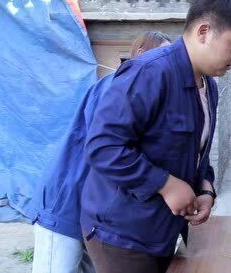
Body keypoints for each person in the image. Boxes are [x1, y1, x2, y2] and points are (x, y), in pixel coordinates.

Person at [80, 0, 231, 273]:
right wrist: (165, 184)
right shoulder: (148, 74)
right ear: (204, 32)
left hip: (164, 228)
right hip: (123, 234)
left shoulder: (208, 85)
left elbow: (195, 152)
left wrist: (206, 188)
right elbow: (103, 147)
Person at [30, 31, 172, 273]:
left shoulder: (141, 91)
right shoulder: (116, 87)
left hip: (95, 210)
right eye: (160, 55)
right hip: (66, 198)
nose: (166, 65)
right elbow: (110, 150)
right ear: (141, 54)